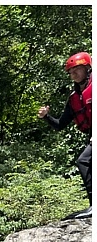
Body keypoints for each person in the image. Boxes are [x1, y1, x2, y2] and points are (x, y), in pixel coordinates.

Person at [39, 51, 92, 218]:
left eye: (76, 69)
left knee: (84, 160)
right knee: (85, 161)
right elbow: (60, 125)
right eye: (70, 72)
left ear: (87, 69)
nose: (73, 74)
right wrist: (46, 117)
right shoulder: (74, 98)